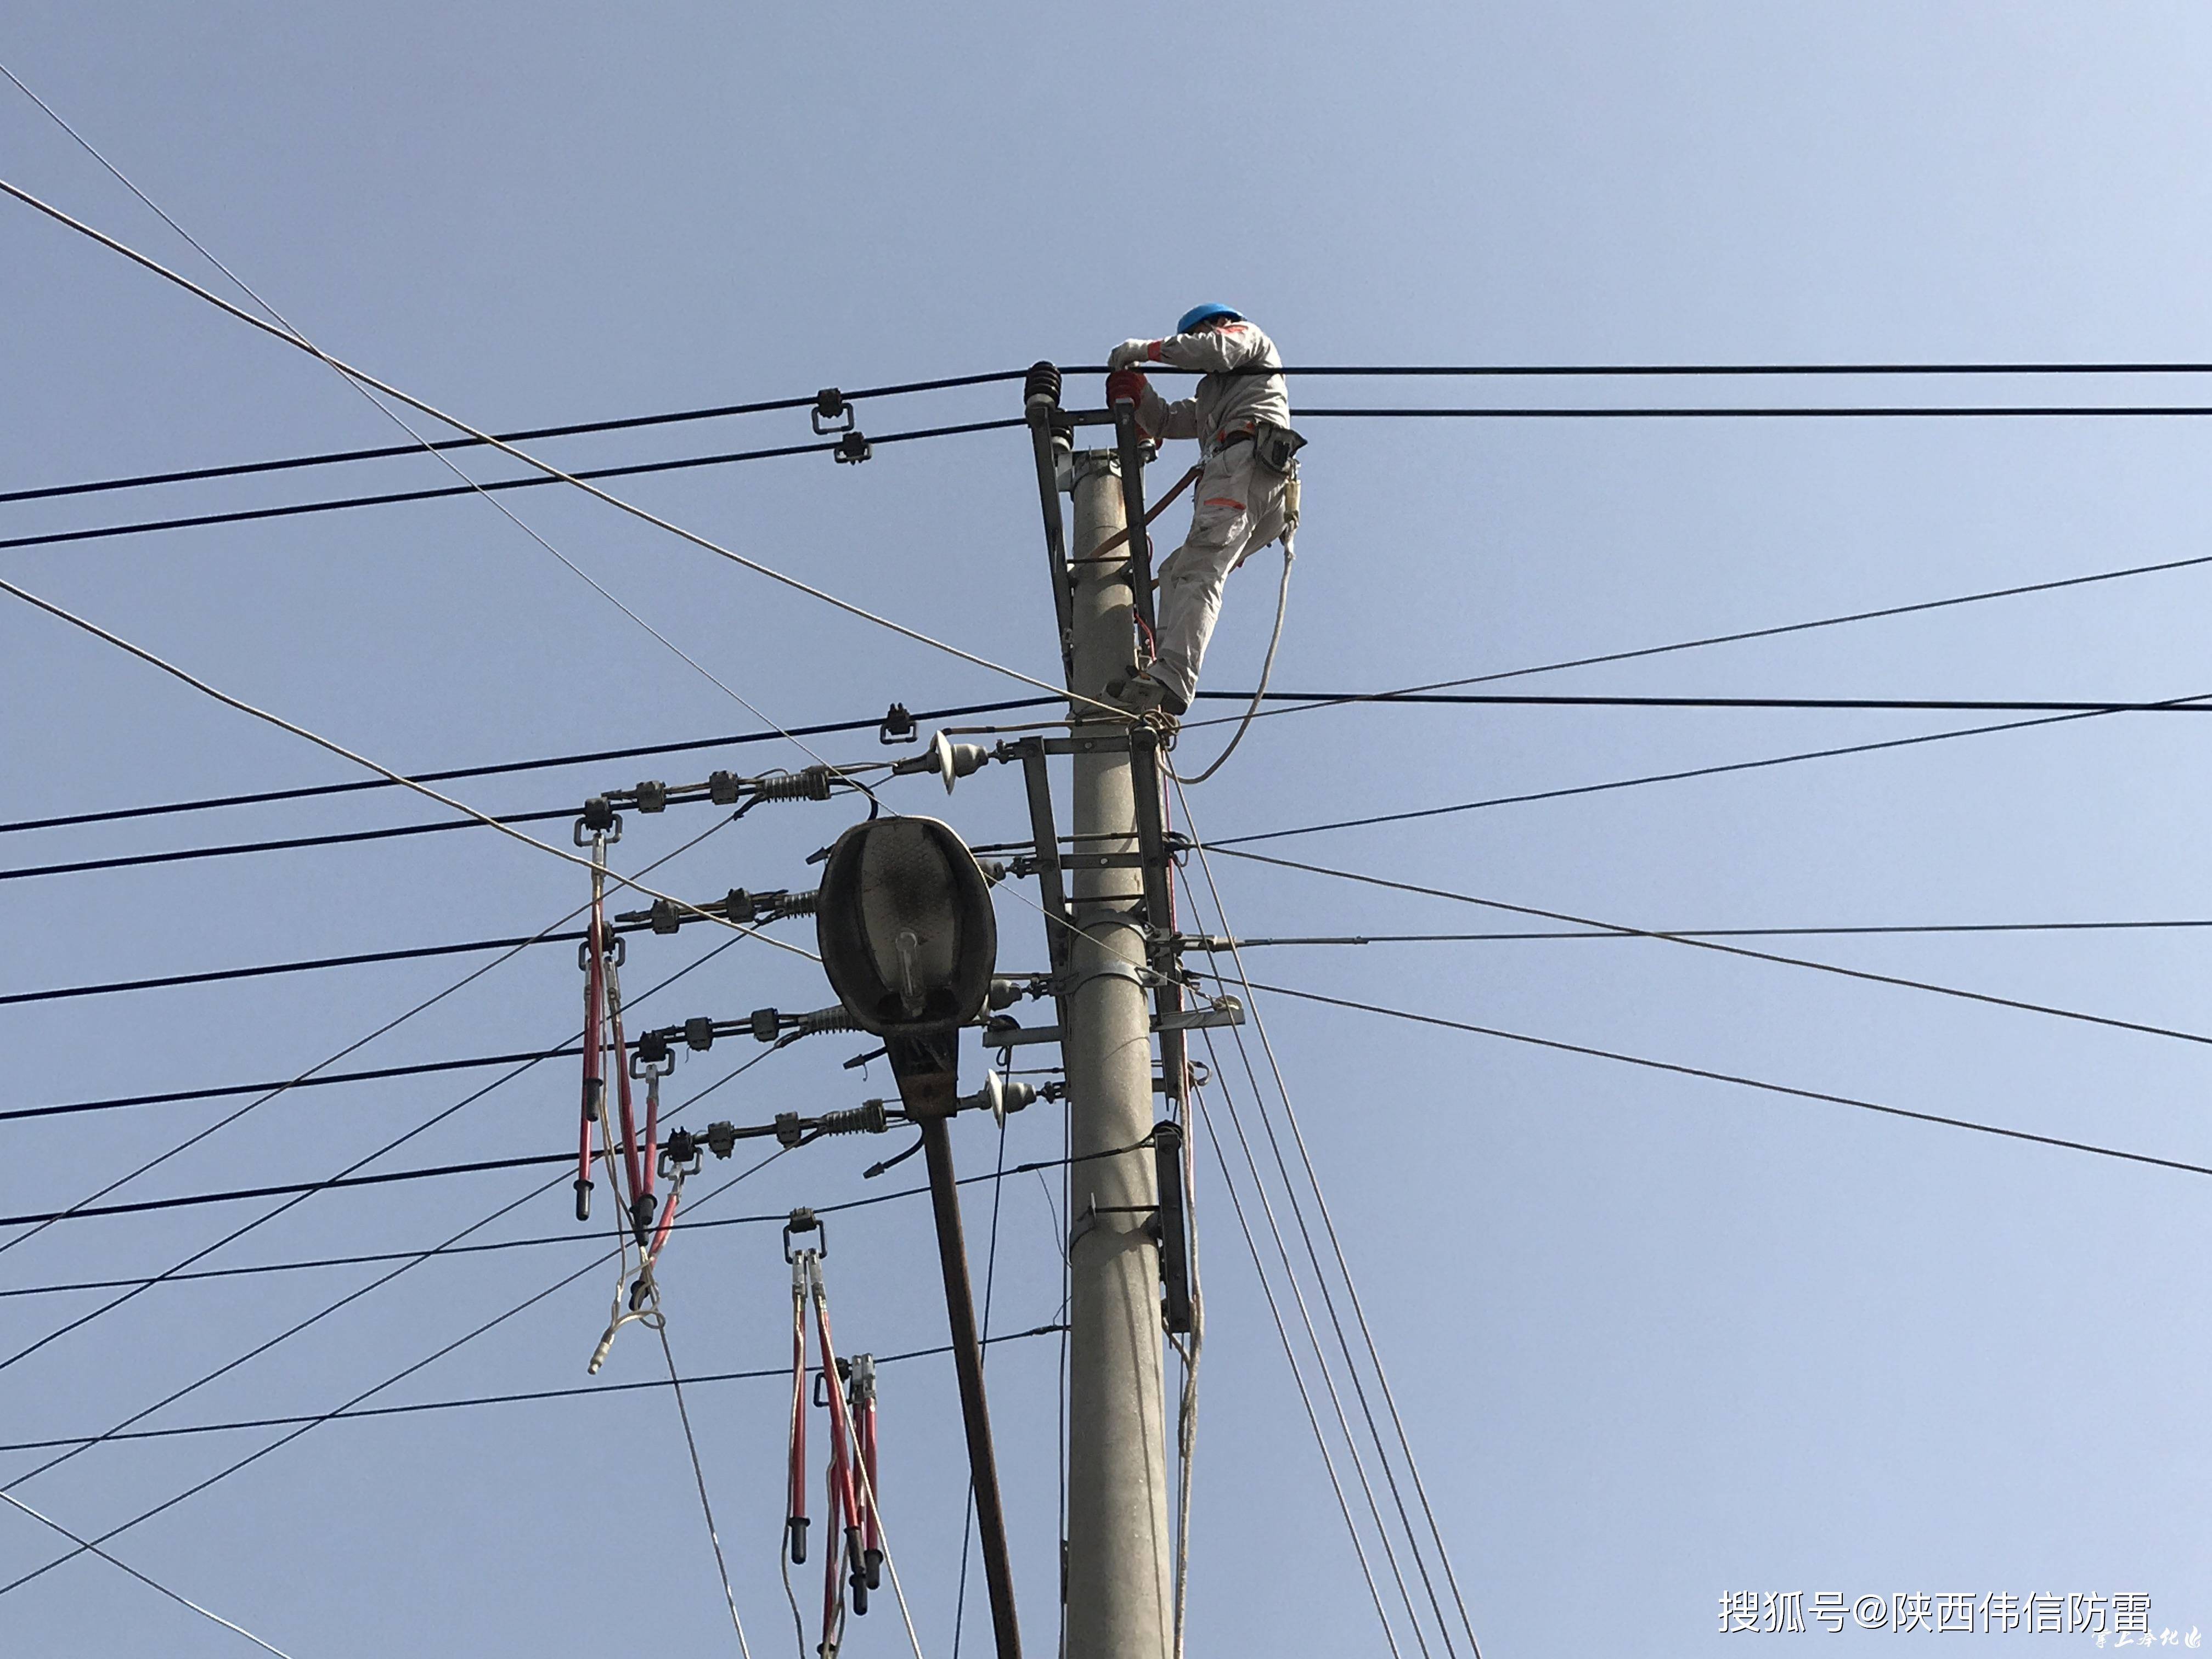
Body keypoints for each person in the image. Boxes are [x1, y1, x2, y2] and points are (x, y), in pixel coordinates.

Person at [1101, 304, 1301, 718]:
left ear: (1214, 324)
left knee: (1200, 569)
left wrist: (1145, 351)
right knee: (1178, 571)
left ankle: (1174, 675)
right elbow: (1171, 421)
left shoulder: (1243, 337)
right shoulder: (1217, 392)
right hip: (1254, 479)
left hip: (1244, 464)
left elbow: (1212, 350)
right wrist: (1140, 394)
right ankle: (1161, 671)